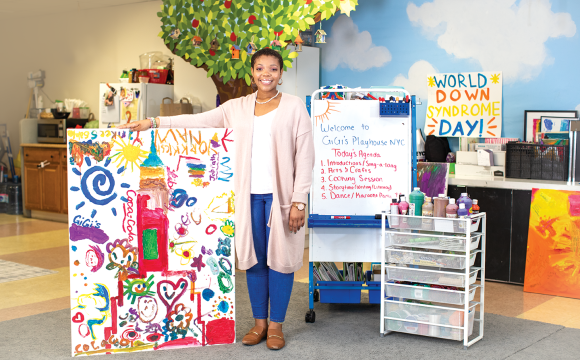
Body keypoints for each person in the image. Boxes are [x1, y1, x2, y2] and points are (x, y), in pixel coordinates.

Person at [118, 48, 315, 350]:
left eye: (272, 69)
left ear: (280, 73)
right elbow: (197, 121)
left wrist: (300, 201)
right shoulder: (235, 107)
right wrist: (153, 123)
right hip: (247, 198)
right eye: (260, 68)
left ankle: (276, 326)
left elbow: (305, 156)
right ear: (252, 72)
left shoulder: (294, 107)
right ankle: (259, 323)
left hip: (282, 200)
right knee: (254, 262)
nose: (266, 74)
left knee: (282, 262)